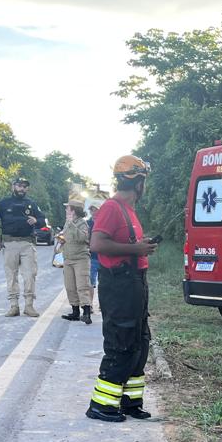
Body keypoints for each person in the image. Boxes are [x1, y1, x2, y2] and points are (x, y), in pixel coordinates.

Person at [85, 156, 156, 422]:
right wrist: (136, 249)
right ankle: (101, 405)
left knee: (140, 341)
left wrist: (141, 246)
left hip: (136, 281)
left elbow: (123, 243)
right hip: (119, 284)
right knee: (121, 342)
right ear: (139, 183)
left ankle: (129, 402)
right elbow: (97, 244)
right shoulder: (112, 208)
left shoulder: (130, 211)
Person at [0, 178, 47, 317]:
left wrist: (37, 221)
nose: (22, 188)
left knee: (30, 274)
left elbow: (43, 219)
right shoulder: (3, 203)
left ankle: (29, 306)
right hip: (9, 244)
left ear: (27, 189)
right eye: (19, 186)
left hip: (27, 244)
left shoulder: (31, 204)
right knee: (11, 275)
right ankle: (14, 306)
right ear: (13, 186)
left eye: (25, 186)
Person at [58, 199, 93, 324]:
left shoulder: (82, 223)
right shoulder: (67, 223)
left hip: (80, 259)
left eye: (68, 208)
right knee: (70, 286)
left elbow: (83, 238)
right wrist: (62, 239)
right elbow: (68, 236)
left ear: (73, 210)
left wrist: (72, 224)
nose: (66, 210)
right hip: (68, 258)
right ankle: (75, 311)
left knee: (82, 286)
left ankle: (87, 313)